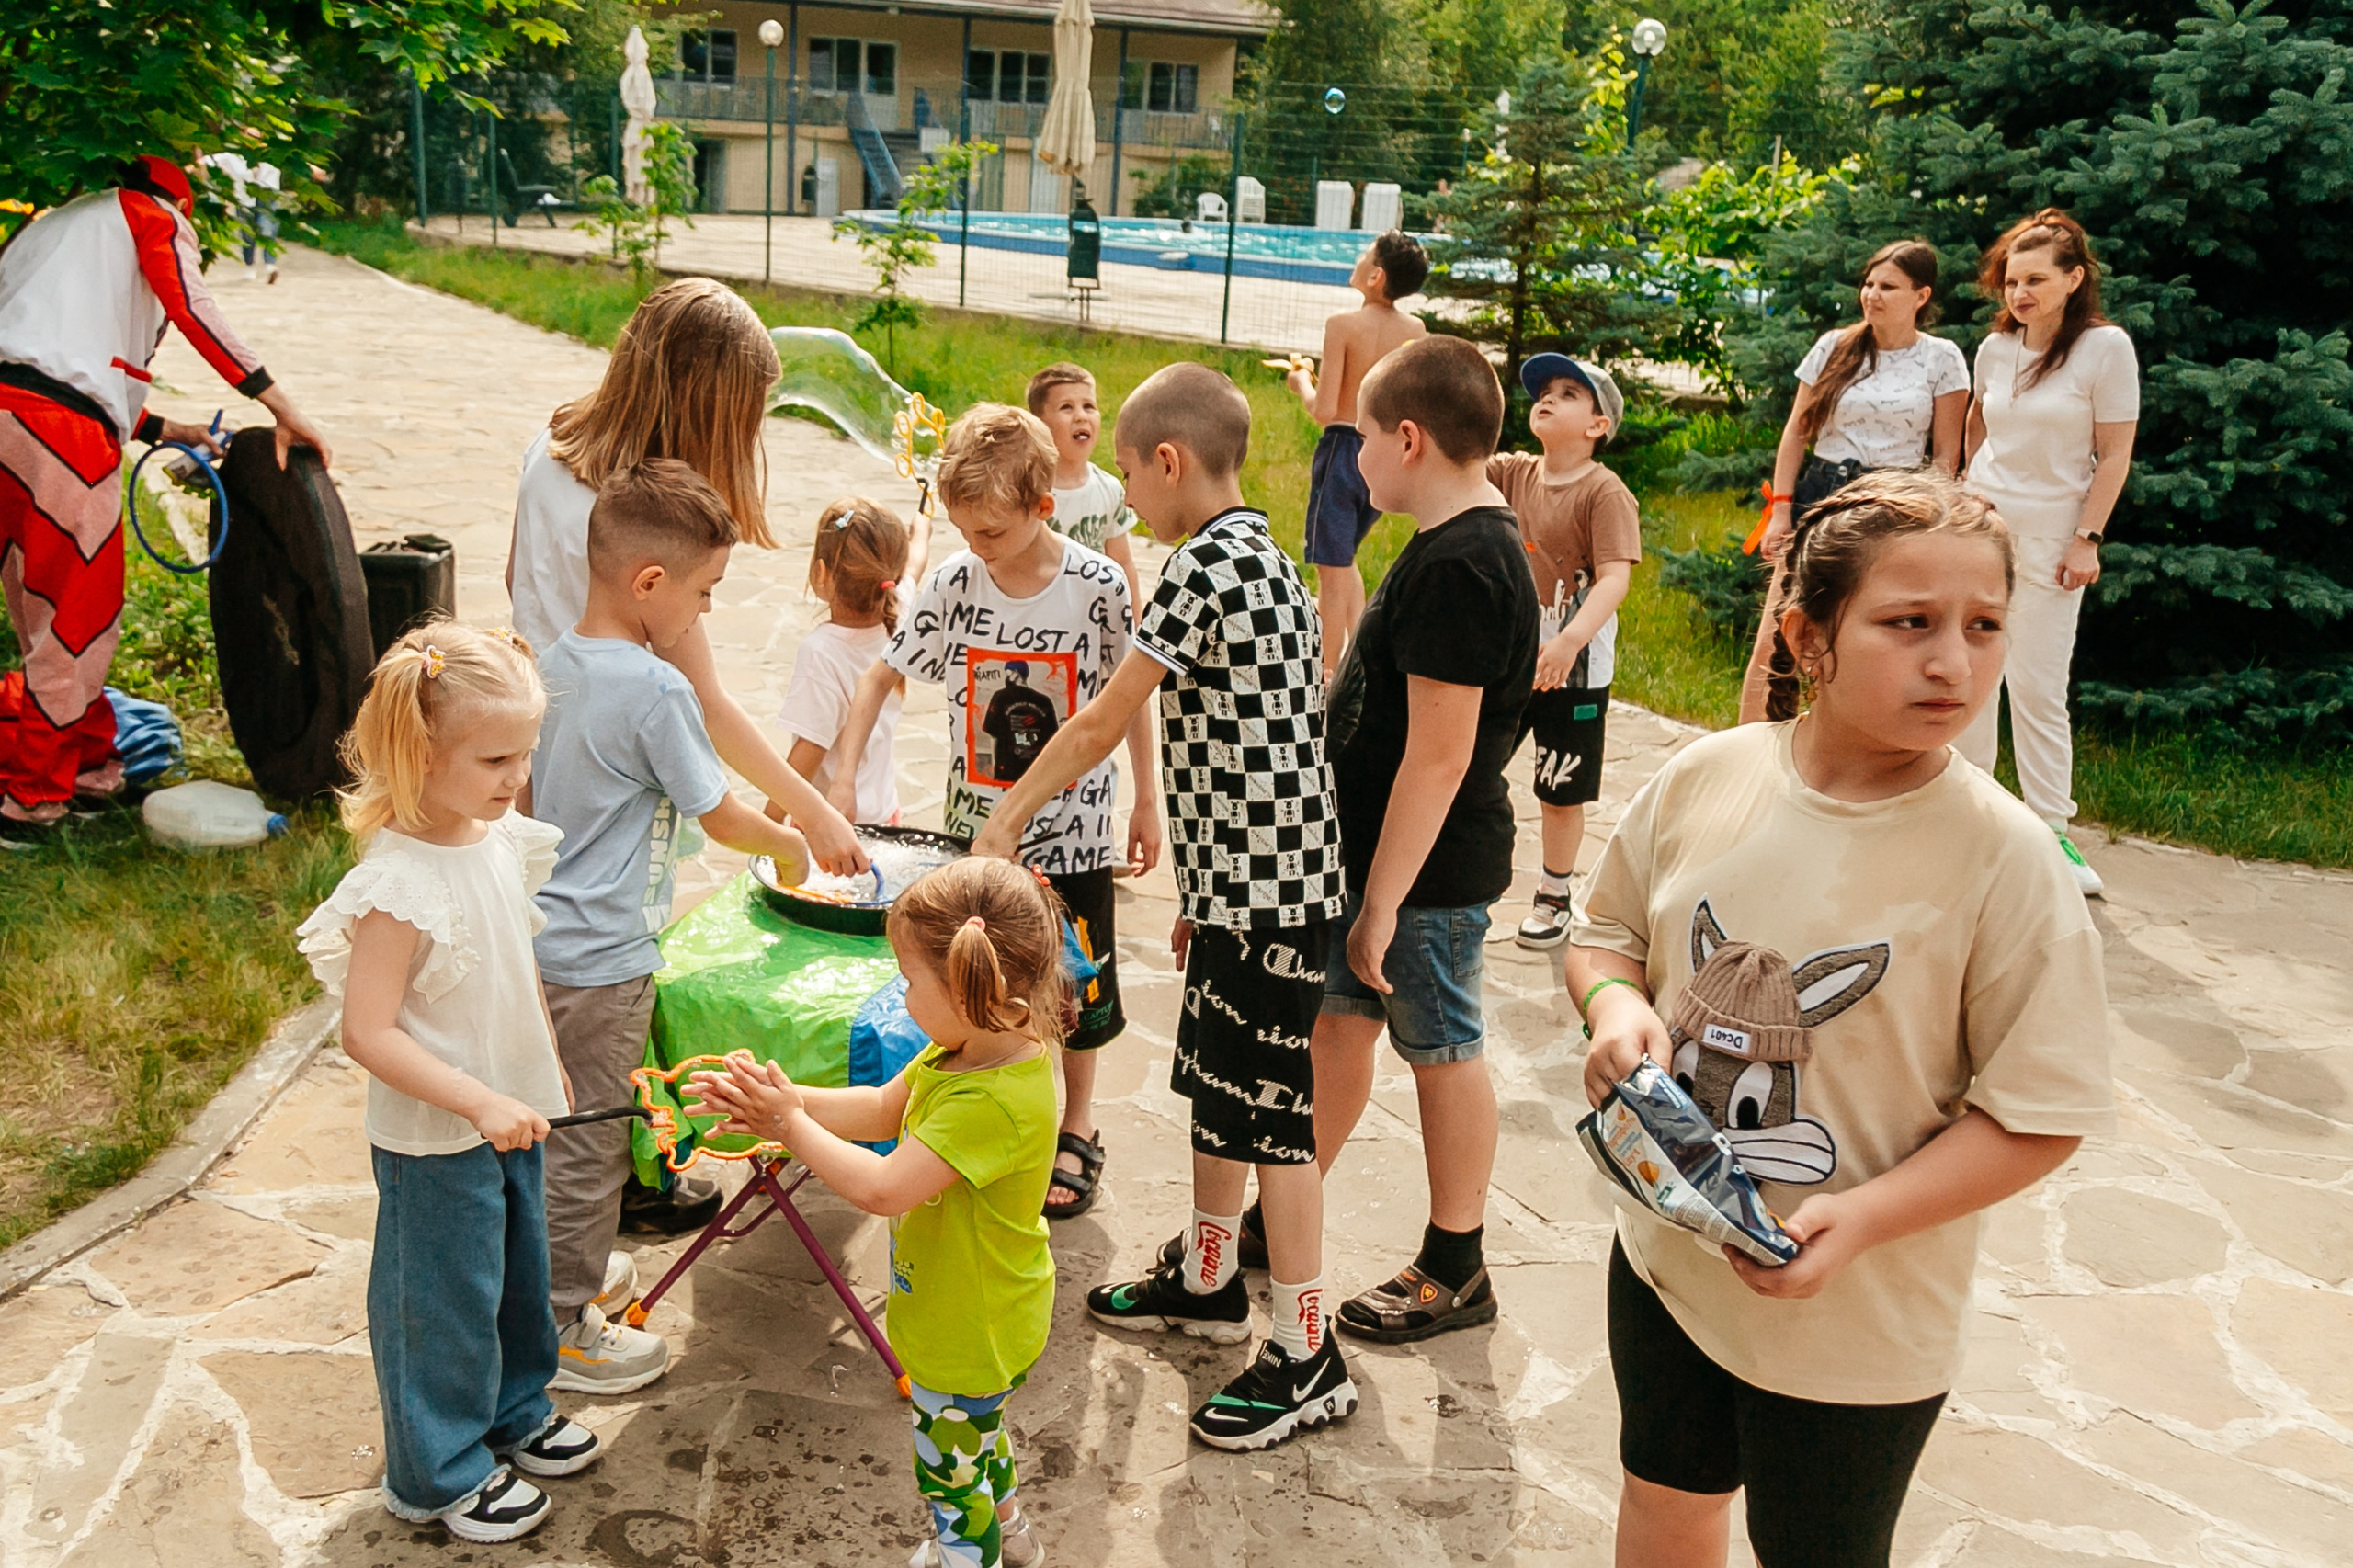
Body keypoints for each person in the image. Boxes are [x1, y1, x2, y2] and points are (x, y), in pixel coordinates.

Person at [1565, 471, 2116, 1568]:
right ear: (1806, 636)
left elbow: (2039, 1115)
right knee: (1666, 1504)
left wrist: (1858, 1220)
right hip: (1668, 1266)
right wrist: (1614, 1005)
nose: (1953, 663)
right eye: (1908, 622)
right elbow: (1605, 930)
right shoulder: (1704, 776)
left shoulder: (2007, 864)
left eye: (1983, 626)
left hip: (1860, 1325)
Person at [972, 362, 1357, 1451]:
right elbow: (1256, 736)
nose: (1124, 492)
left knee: (1272, 1115)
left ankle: (1306, 1349)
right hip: (1250, 884)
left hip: (1272, 896)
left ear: (1171, 461)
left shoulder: (1196, 566)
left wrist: (1006, 820)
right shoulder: (1264, 553)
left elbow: (1103, 719)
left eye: (1132, 471)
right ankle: (1205, 1273)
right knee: (1219, 1090)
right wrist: (1205, 886)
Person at [295, 623, 603, 1545]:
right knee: (439, 1299)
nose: (519, 776)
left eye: (527, 752)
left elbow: (513, 967)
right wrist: (472, 1096)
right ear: (418, 752)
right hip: (438, 1133)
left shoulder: (499, 838)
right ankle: (436, 1466)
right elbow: (368, 1028)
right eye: (497, 756)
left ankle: (513, 1407)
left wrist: (536, 1077)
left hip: (508, 1114)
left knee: (516, 1274)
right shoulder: (398, 884)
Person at [827, 403, 1159, 1221]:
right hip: (974, 835)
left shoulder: (1098, 586)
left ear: (1043, 508)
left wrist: (1146, 797)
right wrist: (839, 781)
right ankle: (969, 1111)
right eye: (967, 531)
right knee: (975, 980)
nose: (978, 546)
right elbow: (881, 676)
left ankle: (1074, 1127)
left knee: (1079, 988)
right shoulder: (951, 583)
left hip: (1074, 831)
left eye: (994, 532)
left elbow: (1129, 700)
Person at [526, 459, 813, 1394]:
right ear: (649, 583)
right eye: (703, 591)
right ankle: (565, 1325)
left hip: (544, 948)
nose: (705, 613)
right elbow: (721, 813)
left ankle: (549, 1279)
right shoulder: (655, 690)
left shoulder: (551, 664)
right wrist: (789, 844)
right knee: (589, 1146)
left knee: (551, 1132)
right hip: (604, 961)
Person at [686, 858, 1063, 1568]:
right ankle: (1011, 1534)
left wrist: (790, 1128)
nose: (901, 988)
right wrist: (782, 1107)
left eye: (908, 975)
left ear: (966, 983)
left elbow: (884, 1189)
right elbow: (882, 1109)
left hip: (970, 1324)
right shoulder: (971, 1047)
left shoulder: (992, 1100)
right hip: (986, 1307)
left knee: (949, 1471)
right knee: (975, 1435)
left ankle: (968, 1557)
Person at [1313, 335, 1539, 1343]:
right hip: (1381, 868)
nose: (1353, 454)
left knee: (1442, 1051)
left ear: (1406, 438)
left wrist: (1382, 902)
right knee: (1337, 1028)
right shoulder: (1447, 540)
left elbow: (1441, 756)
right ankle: (1286, 1207)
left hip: (1423, 880)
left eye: (1361, 434)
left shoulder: (1464, 563)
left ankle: (1457, 1262)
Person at [0, 154, 332, 835]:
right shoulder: (150, 214)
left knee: (38, 614)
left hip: (14, 418)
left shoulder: (47, 227)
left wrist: (162, 427)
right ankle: (31, 804)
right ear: (177, 202)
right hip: (58, 435)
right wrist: (278, 403)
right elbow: (192, 308)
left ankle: (88, 769)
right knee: (76, 617)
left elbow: (46, 353)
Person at [503, 276, 864, 878]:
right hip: (607, 769)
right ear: (703, 405)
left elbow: (514, 573)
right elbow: (707, 702)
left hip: (535, 742)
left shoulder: (549, 446)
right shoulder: (633, 518)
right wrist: (815, 815)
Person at [1956, 209, 2138, 898]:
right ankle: (1968, 818)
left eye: (2035, 279)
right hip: (1982, 534)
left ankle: (2050, 831)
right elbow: (1979, 429)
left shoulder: (2105, 348)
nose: (2019, 292)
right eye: (2010, 280)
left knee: (2037, 686)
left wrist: (2087, 536)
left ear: (2074, 279)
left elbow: (2115, 452)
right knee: (1972, 678)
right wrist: (1966, 496)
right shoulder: (1996, 349)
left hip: (2057, 540)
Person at [1739, 241, 1968, 723]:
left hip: (1893, 506)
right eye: (1868, 284)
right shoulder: (1834, 346)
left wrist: (1935, 522)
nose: (1872, 295)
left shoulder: (1942, 358)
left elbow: (1947, 454)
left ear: (1920, 295)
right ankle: (1747, 753)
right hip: (1822, 495)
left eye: (1888, 286)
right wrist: (1781, 509)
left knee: (1859, 637)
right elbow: (1797, 431)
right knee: (1777, 634)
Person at [1485, 355, 1641, 949]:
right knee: (1474, 764)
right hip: (1512, 662)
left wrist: (1571, 641)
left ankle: (1554, 894)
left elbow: (1614, 579)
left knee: (1559, 787)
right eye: (1544, 391)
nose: (1547, 399)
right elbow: (1462, 460)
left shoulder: (1605, 493)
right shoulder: (1515, 474)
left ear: (1598, 425)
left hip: (1574, 675)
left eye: (1569, 393)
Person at [1288, 230, 1430, 677]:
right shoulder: (1416, 331)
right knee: (1345, 557)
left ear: (1375, 275)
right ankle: (1368, 658)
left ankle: (1327, 676)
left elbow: (1325, 409)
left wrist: (1300, 384)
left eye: (1364, 253)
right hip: (1384, 454)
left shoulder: (1342, 326)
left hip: (1341, 450)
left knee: (1331, 571)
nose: (1357, 258)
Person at [777, 496, 929, 825]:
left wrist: (770, 821)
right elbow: (916, 563)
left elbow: (810, 751)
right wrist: (922, 531)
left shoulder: (820, 651)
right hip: (884, 815)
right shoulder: (899, 611)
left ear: (821, 572)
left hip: (832, 821)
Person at [1027, 361, 1143, 610]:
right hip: (1039, 611)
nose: (1081, 415)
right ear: (1039, 423)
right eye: (1066, 407)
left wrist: (1135, 621)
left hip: (1091, 612)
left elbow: (1122, 562)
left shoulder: (1110, 489)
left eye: (1089, 406)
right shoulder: (1027, 489)